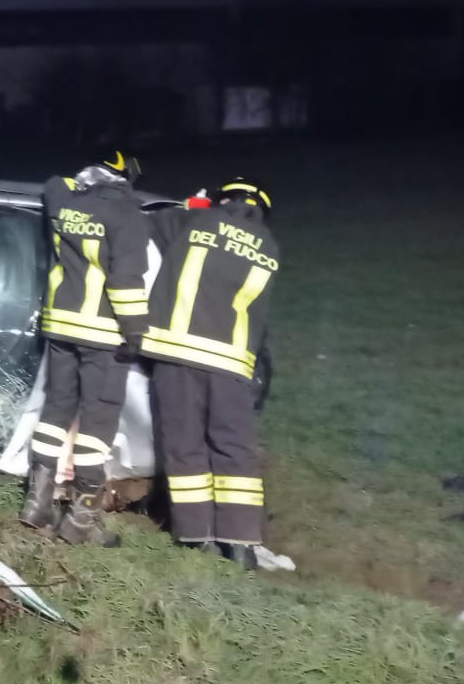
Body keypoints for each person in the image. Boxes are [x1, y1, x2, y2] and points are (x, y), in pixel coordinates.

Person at [142, 180, 281, 570]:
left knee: (185, 445)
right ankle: (240, 544)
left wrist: (194, 202)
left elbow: (152, 222)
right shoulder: (268, 245)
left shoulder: (194, 221)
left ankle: (196, 538)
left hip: (179, 352)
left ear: (220, 201)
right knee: (234, 450)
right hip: (233, 363)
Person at [21, 150, 151, 547]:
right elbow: (126, 282)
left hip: (60, 326)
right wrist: (136, 334)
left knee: (55, 410)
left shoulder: (65, 201)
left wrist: (81, 183)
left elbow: (53, 183)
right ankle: (81, 522)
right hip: (101, 333)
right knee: (97, 424)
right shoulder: (128, 217)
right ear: (125, 178)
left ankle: (36, 505)